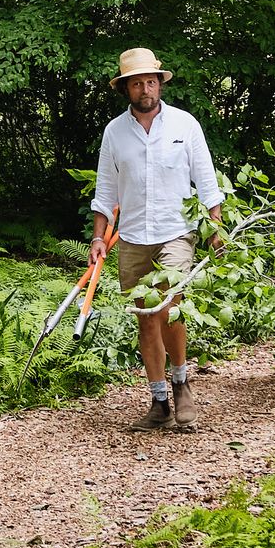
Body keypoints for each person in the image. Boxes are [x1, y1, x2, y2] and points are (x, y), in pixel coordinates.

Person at [89, 48, 224, 431]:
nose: (145, 89)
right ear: (126, 89)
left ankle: (181, 384)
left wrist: (215, 227)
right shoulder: (114, 133)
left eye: (150, 81)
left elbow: (206, 180)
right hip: (132, 237)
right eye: (137, 83)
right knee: (146, 319)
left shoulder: (185, 124)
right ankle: (159, 401)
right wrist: (98, 237)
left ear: (159, 84)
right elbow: (105, 190)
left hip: (176, 232)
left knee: (168, 306)